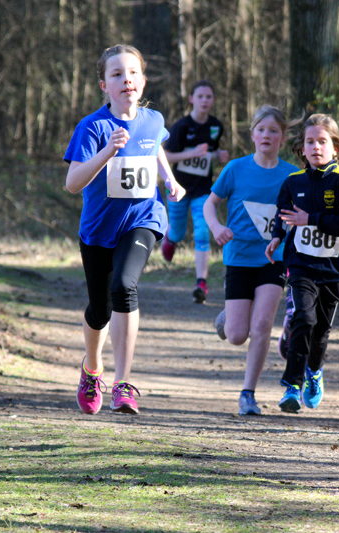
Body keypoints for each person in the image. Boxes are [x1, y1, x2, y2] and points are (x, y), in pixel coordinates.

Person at [64, 44, 184, 416]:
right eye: (116, 74)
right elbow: (72, 183)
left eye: (132, 73)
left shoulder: (154, 120)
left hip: (143, 218)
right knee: (99, 310)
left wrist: (170, 180)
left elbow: (156, 149)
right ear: (104, 85)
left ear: (143, 81)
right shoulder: (93, 127)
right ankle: (92, 368)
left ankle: (124, 383)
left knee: (124, 287)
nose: (126, 79)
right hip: (99, 230)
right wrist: (107, 154)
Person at [203, 105, 298, 415]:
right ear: (253, 134)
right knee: (236, 335)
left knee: (262, 325)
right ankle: (228, 319)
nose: (266, 135)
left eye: (273, 131)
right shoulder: (235, 169)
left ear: (282, 137)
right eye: (261, 130)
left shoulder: (291, 175)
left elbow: (298, 215)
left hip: (275, 259)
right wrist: (217, 227)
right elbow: (210, 204)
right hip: (239, 257)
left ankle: (248, 394)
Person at [265, 114, 339, 413]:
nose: (316, 147)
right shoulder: (293, 182)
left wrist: (312, 220)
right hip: (301, 264)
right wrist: (276, 237)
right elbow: (281, 215)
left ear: (335, 148)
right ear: (302, 149)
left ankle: (314, 373)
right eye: (310, 142)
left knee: (320, 330)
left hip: (332, 268)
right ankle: (291, 386)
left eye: (323, 141)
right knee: (302, 319)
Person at [162, 80, 230, 303]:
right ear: (191, 98)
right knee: (179, 232)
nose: (204, 101)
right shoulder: (181, 126)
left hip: (203, 190)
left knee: (202, 232)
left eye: (208, 97)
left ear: (213, 100)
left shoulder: (216, 126)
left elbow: (211, 152)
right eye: (200, 96)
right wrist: (192, 154)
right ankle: (169, 239)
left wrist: (218, 155)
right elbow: (167, 156)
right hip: (178, 188)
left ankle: (201, 282)